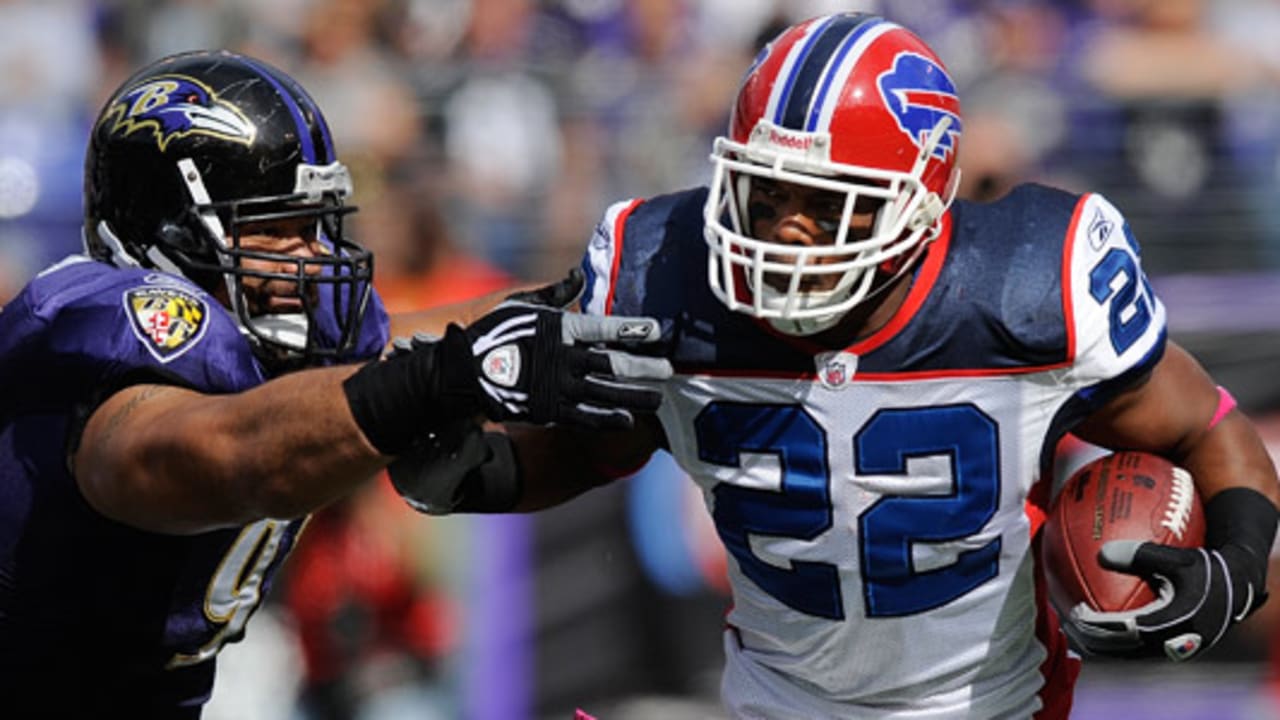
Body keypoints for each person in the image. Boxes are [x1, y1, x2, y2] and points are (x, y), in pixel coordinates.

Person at [403, 13, 1280, 718]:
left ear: (924, 199)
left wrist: (1237, 564)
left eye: (826, 207)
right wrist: (480, 472)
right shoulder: (667, 279)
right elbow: (599, 449)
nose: (785, 228)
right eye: (767, 193)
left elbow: (1206, 427)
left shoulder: (1023, 289)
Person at [0, 49, 671, 717]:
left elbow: (420, 341)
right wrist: (445, 380)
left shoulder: (271, 324)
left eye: (315, 227)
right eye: (278, 230)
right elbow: (219, 456)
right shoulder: (107, 327)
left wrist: (608, 309)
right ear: (172, 230)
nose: (313, 257)